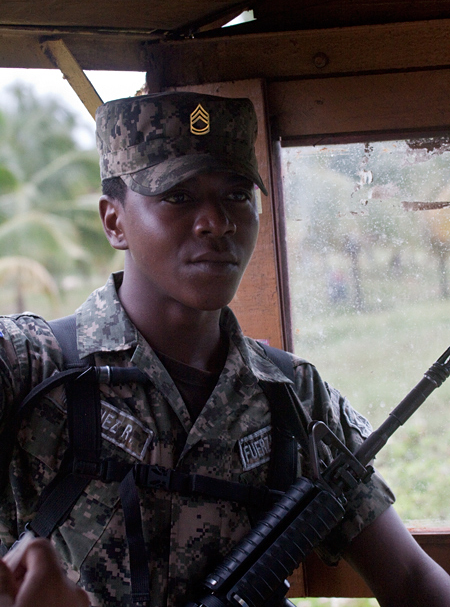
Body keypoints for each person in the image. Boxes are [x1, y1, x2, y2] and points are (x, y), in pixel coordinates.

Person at [0, 91, 449, 607]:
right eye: (178, 197)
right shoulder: (31, 367)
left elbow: (412, 579)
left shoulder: (294, 397)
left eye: (236, 194)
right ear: (113, 221)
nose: (217, 222)